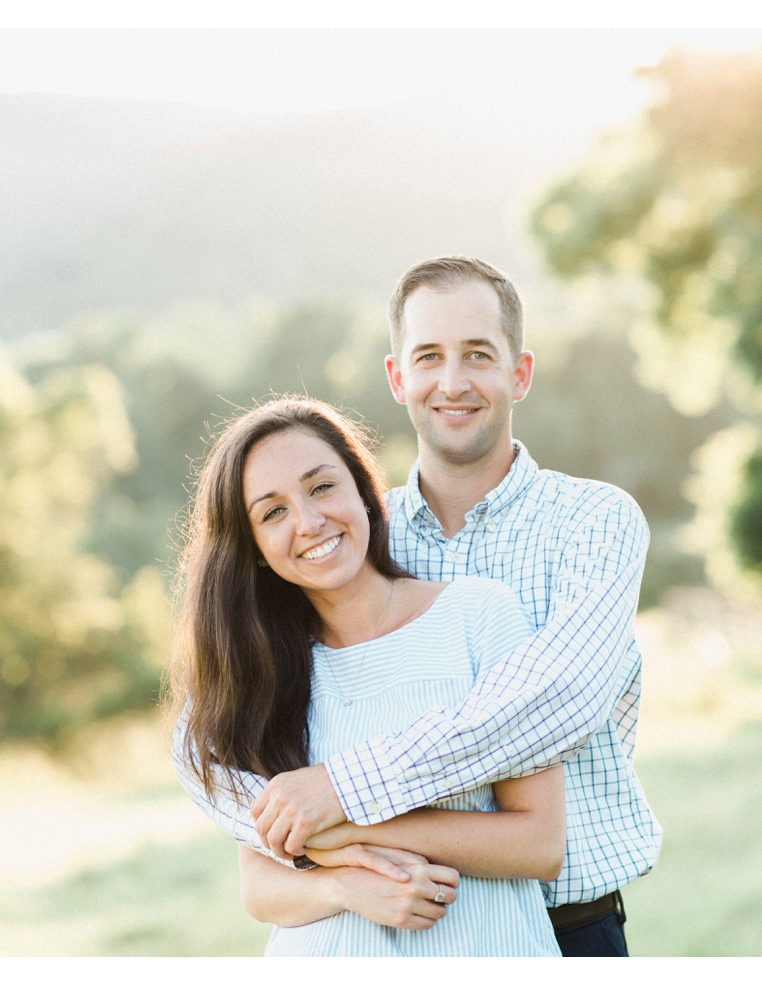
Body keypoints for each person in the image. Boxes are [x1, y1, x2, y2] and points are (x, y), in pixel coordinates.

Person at [176, 256, 660, 957]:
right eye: (429, 356)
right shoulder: (342, 541)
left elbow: (561, 699)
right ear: (397, 377)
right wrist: (306, 839)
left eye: (478, 356)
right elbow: (215, 738)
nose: (453, 382)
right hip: (369, 923)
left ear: (519, 373)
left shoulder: (593, 522)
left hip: (569, 924)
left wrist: (342, 799)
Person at [171, 397, 565, 956]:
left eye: (322, 487)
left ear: (363, 490)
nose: (309, 522)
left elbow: (539, 843)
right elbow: (259, 888)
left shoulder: (478, 615)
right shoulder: (261, 673)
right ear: (253, 548)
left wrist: (343, 828)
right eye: (273, 512)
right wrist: (345, 884)